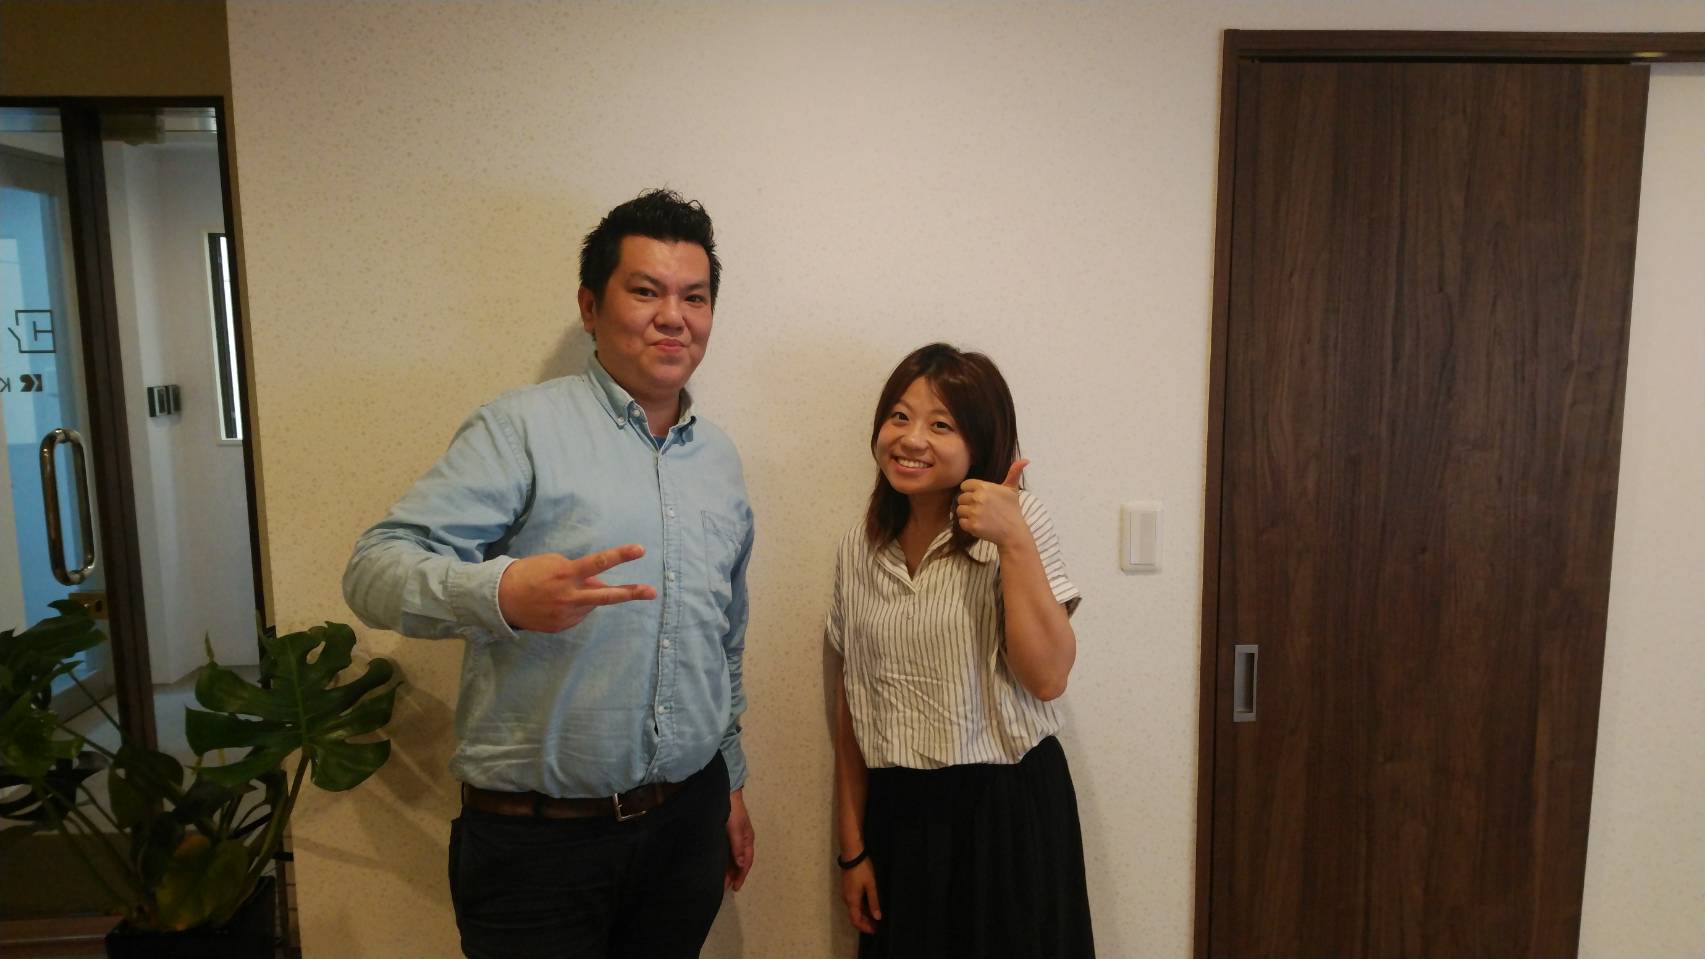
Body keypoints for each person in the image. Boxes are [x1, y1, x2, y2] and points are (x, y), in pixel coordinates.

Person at [342, 189, 754, 959]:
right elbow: (373, 568)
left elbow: (723, 638)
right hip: (538, 848)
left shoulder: (719, 460)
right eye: (646, 291)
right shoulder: (519, 429)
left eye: (694, 297)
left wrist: (728, 780)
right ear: (590, 306)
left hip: (685, 828)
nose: (674, 317)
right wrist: (501, 594)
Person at [827, 343, 1094, 958]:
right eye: (899, 416)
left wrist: (1013, 541)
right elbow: (853, 703)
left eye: (941, 424)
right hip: (900, 816)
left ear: (981, 441)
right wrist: (852, 848)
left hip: (1007, 814)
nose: (911, 438)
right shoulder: (858, 547)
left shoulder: (1019, 523)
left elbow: (1048, 678)